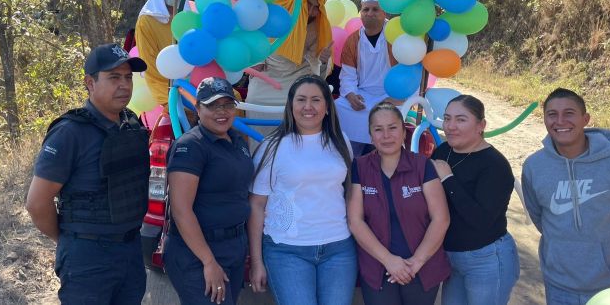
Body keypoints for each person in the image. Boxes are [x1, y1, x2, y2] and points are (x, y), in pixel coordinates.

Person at [25, 43, 150, 304]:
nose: (124, 85)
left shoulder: (131, 123)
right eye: (114, 77)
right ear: (90, 83)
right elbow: (37, 203)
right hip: (88, 258)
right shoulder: (70, 132)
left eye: (128, 77)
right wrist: (67, 241)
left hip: (130, 251)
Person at [521, 88, 610, 304]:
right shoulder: (534, 166)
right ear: (544, 119)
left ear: (585, 119)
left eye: (569, 113)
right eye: (552, 114)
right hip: (559, 286)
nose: (560, 121)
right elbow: (540, 217)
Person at [248, 75, 356, 305]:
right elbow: (256, 205)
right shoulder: (272, 147)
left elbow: (349, 193)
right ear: (291, 106)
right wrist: (256, 262)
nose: (308, 106)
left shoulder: (341, 141)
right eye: (301, 99)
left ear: (327, 107)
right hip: (287, 251)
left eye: (316, 100)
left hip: (339, 248)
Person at [347, 101, 451, 305]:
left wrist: (416, 262)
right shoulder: (359, 167)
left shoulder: (422, 165)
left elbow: (441, 219)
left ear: (404, 132)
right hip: (378, 268)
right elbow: (355, 221)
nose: (386, 135)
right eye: (378, 129)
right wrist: (388, 260)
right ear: (371, 136)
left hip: (421, 268)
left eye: (393, 128)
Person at [163, 77, 253, 305]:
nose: (221, 112)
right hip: (198, 252)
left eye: (227, 104)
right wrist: (208, 261)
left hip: (233, 247)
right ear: (198, 108)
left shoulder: (238, 141)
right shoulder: (191, 146)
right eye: (212, 105)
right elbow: (181, 211)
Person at [430, 95, 519, 305]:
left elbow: (481, 220)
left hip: (486, 258)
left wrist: (448, 179)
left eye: (461, 119)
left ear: (481, 125)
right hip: (451, 256)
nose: (451, 126)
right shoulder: (443, 151)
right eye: (447, 118)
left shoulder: (494, 165)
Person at [244, 0, 333, 148]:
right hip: (269, 73)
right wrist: (258, 61)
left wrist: (323, 59)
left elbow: (316, 63)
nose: (313, 11)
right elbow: (259, 41)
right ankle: (258, 150)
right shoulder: (279, 15)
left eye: (316, 7)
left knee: (300, 100)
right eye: (309, 5)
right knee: (253, 99)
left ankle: (291, 150)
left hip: (298, 76)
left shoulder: (318, 26)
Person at [335, 0, 399, 156]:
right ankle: (351, 157)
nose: (370, 13)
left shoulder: (396, 36)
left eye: (375, 9)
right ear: (360, 13)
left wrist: (398, 98)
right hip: (362, 94)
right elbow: (347, 75)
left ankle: (380, 156)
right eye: (366, 9)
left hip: (392, 95)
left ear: (384, 13)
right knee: (338, 106)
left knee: (386, 114)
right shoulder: (353, 40)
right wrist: (351, 95)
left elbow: (410, 73)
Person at [135, 0, 185, 105]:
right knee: (183, 106)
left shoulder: (186, 18)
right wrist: (172, 89)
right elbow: (149, 64)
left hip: (191, 81)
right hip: (163, 83)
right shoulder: (146, 21)